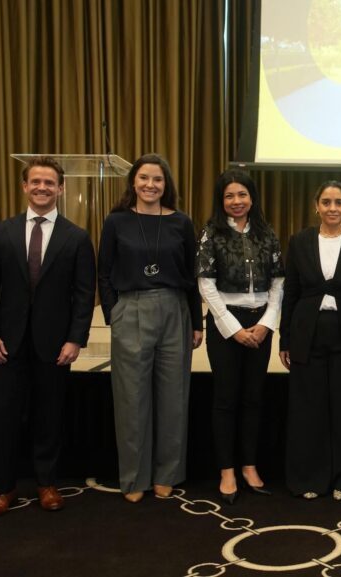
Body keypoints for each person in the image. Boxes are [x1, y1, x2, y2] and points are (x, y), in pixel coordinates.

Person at [0, 156, 96, 518]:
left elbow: (83, 294)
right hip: (6, 344)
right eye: (36, 182)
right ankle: (4, 488)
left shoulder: (76, 237)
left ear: (61, 189)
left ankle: (47, 484)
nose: (42, 187)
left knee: (49, 415)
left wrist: (75, 339)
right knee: (6, 415)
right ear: (24, 186)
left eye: (49, 183)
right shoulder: (1, 232)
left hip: (55, 345)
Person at [98, 154, 204, 503]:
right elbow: (104, 271)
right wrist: (116, 313)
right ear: (133, 182)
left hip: (175, 308)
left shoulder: (182, 223)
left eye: (157, 179)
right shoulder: (116, 222)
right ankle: (133, 478)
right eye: (143, 178)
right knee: (131, 398)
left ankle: (167, 474)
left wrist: (196, 321)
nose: (150, 185)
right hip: (131, 308)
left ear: (166, 185)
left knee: (174, 397)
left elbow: (191, 276)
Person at [279, 180, 341, 501]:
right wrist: (285, 339)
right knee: (308, 410)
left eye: (339, 202)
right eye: (326, 202)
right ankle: (309, 478)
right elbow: (290, 293)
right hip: (307, 331)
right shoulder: (299, 241)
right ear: (316, 206)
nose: (332, 208)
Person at [197, 170, 284, 504]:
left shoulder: (267, 233)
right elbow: (206, 284)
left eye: (242, 195)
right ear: (222, 201)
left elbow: (278, 283)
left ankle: (249, 466)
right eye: (229, 196)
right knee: (225, 399)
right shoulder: (211, 234)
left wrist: (266, 324)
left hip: (260, 324)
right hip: (225, 326)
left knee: (253, 398)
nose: (236, 202)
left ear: (252, 198)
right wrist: (232, 328)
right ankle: (227, 470)